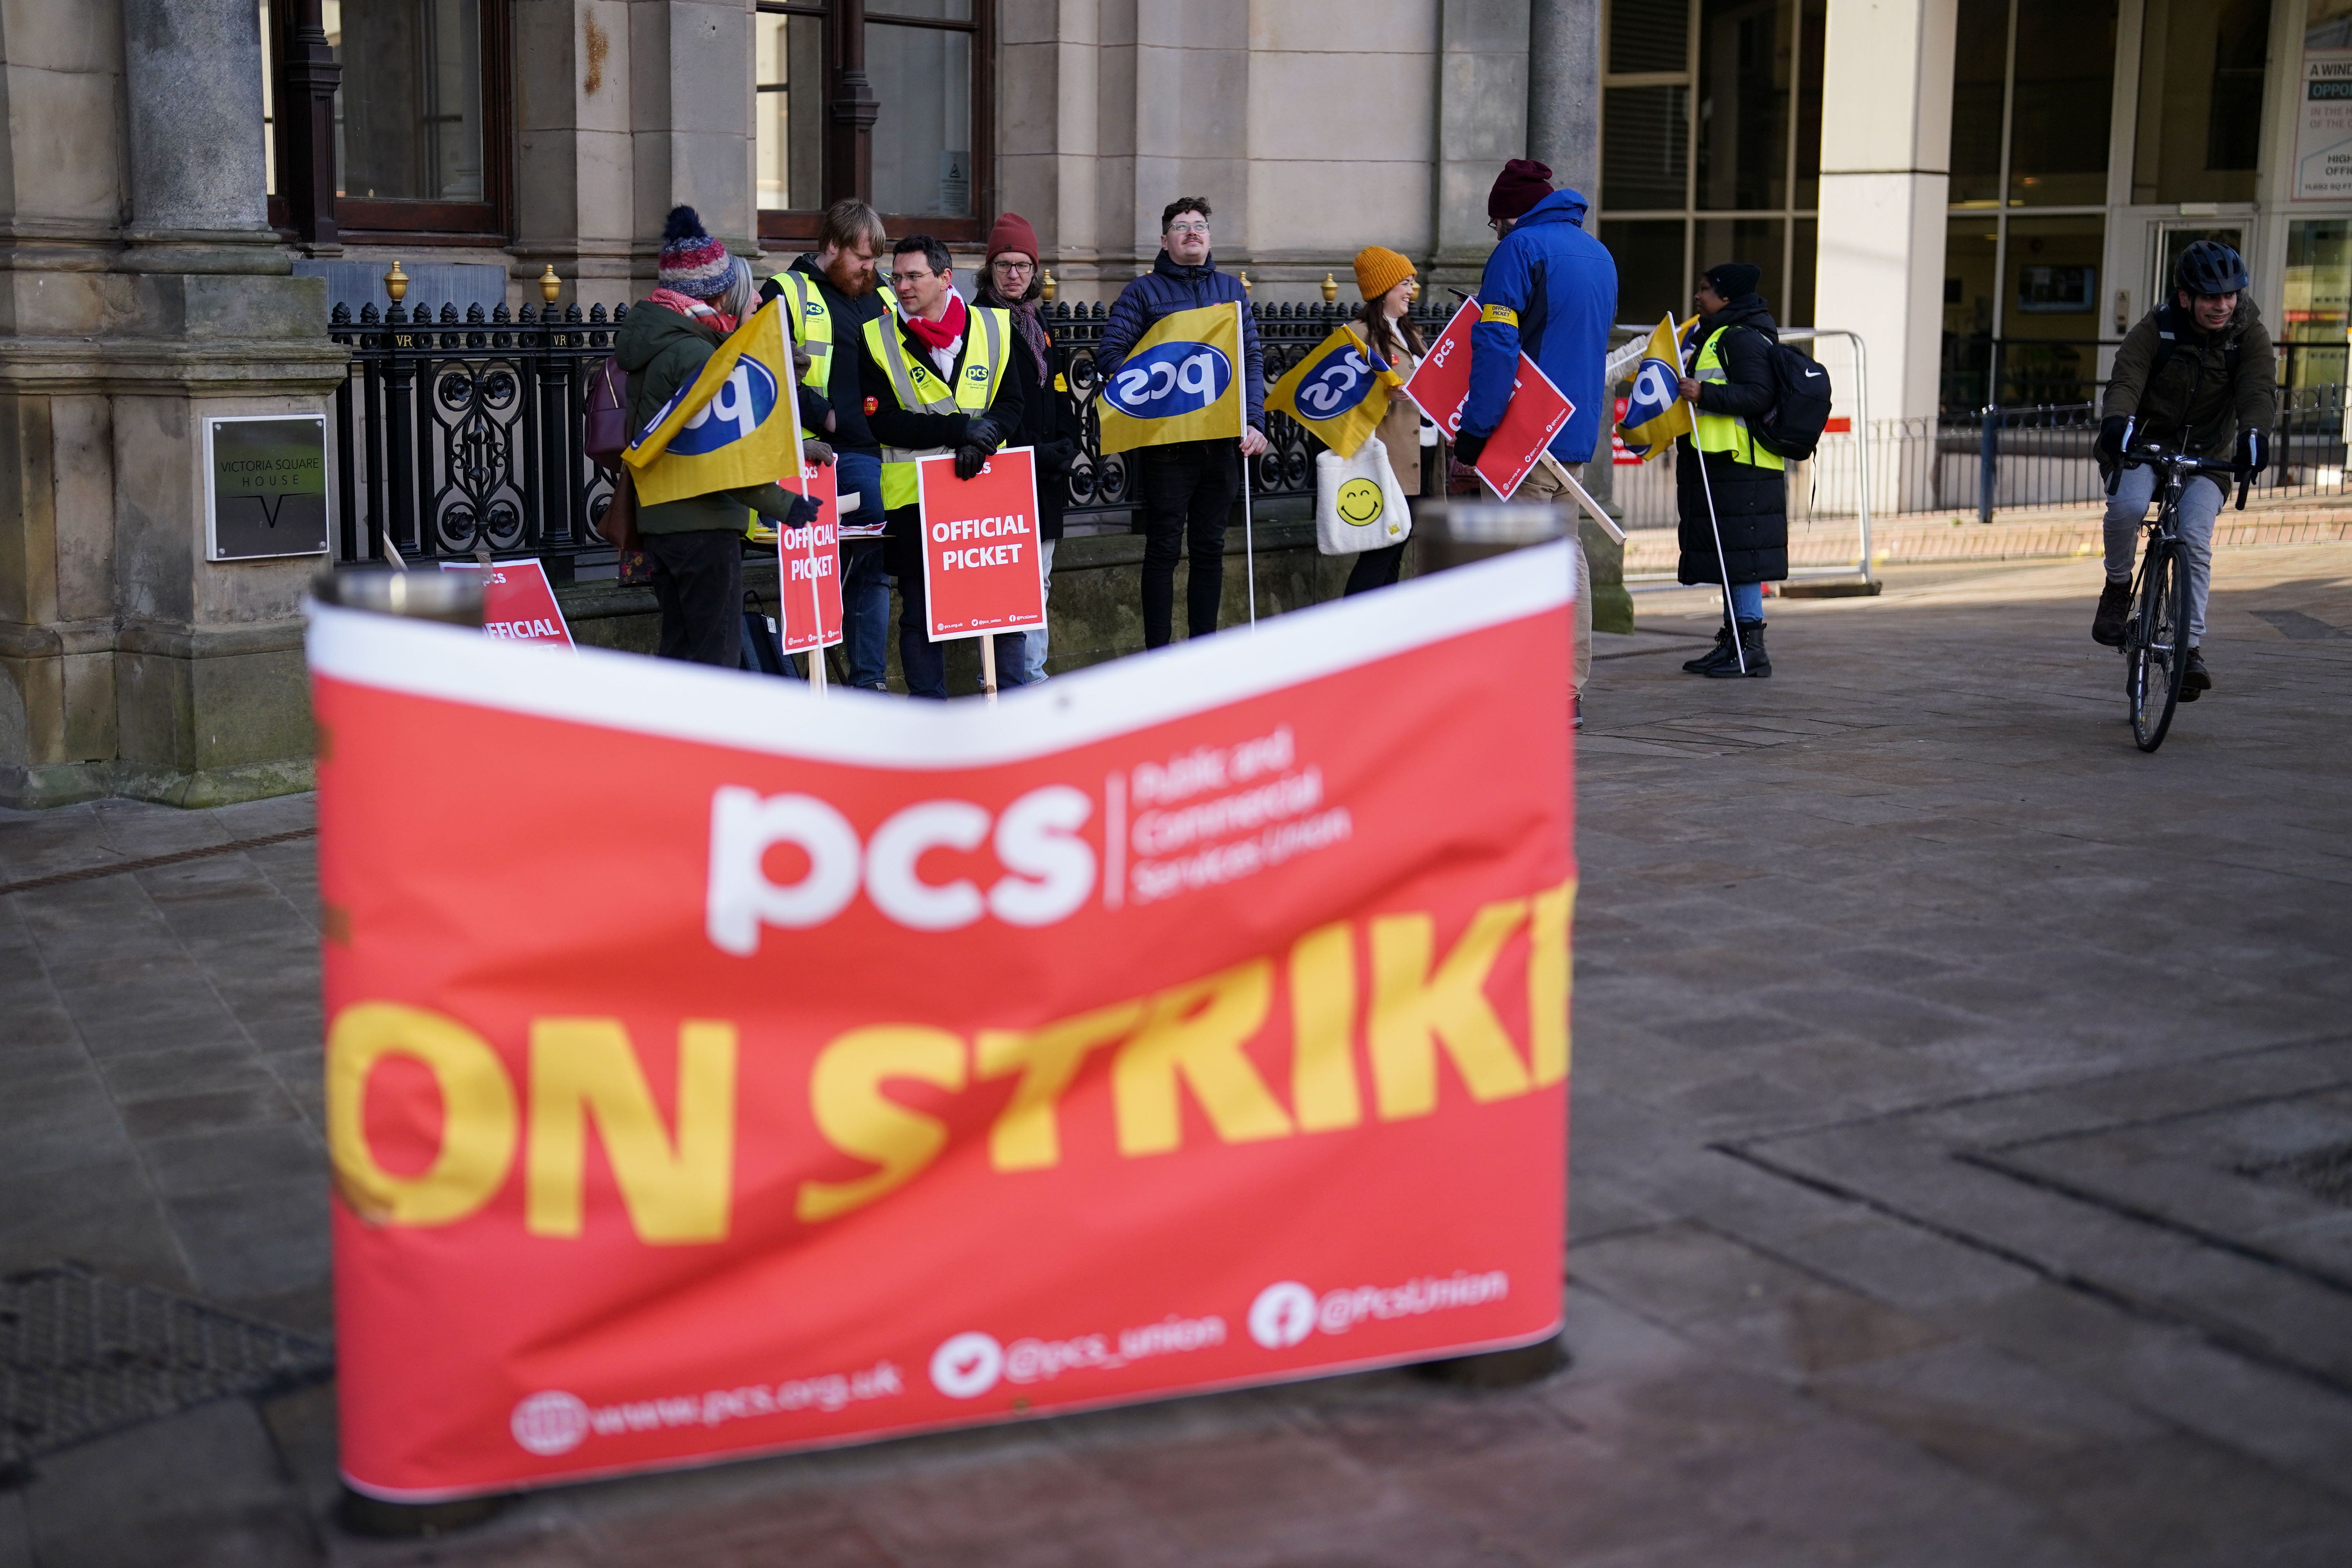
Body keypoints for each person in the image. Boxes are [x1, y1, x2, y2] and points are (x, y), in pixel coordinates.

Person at [614, 206, 818, 667]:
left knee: (683, 654)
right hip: (701, 524)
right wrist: (787, 506)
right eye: (747, 295)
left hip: (666, 523)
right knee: (714, 661)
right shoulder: (694, 354)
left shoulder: (666, 340)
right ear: (719, 296)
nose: (758, 303)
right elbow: (719, 455)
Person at [1452, 160, 1613, 717]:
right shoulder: (1598, 253)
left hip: (1522, 437)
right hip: (1574, 435)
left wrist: (1475, 430)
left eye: (1496, 223)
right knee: (1565, 561)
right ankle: (1565, 688)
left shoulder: (1518, 251)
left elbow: (1497, 344)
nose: (1496, 233)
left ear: (1510, 216)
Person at [2091, 240, 2276, 700]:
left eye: (2230, 295)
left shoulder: (2248, 334)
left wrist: (2255, 434)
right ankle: (2117, 588)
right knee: (2128, 507)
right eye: (2211, 297)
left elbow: (2259, 389)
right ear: (2185, 296)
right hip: (2147, 446)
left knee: (2194, 536)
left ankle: (2189, 649)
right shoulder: (2158, 328)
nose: (2222, 305)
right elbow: (2127, 377)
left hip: (2209, 453)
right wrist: (2119, 423)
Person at [856, 233, 1029, 698]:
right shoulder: (876, 336)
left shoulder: (995, 327)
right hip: (915, 497)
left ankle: (1012, 706)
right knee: (920, 614)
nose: (903, 287)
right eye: (897, 277)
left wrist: (986, 438)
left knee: (1002, 609)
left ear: (945, 278)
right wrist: (959, 432)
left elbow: (1013, 402)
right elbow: (882, 421)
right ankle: (927, 715)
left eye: (915, 276)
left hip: (987, 490)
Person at [1098, 197, 1269, 647]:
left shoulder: (1233, 290)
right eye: (1181, 226)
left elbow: (1250, 359)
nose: (1192, 232)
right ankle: (1159, 655)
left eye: (1199, 226)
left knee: (1211, 551)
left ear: (1209, 237)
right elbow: (1112, 357)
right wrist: (1163, 386)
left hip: (1223, 447)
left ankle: (1203, 653)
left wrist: (1255, 421)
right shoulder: (1143, 293)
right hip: (1168, 449)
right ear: (1164, 240)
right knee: (1163, 550)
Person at [760, 200, 894, 689]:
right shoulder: (786, 290)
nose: (870, 268)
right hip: (812, 452)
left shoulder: (881, 292)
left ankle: (868, 685)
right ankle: (807, 687)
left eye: (876, 260)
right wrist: (823, 414)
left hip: (870, 451)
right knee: (809, 572)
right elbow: (766, 370)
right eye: (862, 257)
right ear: (833, 247)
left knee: (871, 566)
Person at [973, 212, 1082, 681]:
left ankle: (1031, 674)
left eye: (1022, 264)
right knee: (1003, 585)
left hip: (1046, 474)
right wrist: (1031, 451)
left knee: (1039, 579)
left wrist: (1068, 441)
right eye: (1004, 264)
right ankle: (1005, 680)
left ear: (1035, 271)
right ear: (990, 269)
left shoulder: (1040, 322)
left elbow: (1057, 390)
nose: (1014, 274)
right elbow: (987, 402)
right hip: (1005, 470)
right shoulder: (977, 320)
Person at [1672, 262, 1788, 679]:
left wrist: (1704, 393)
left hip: (1743, 464)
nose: (1698, 296)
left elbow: (1759, 394)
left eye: (1706, 289)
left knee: (1743, 558)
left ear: (1728, 297)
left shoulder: (1741, 338)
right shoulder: (1720, 334)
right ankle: (1733, 644)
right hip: (1726, 463)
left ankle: (1751, 650)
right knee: (1730, 556)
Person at [1340, 245, 1441, 596]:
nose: (1412, 291)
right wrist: (1383, 395)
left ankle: (1378, 633)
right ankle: (1353, 632)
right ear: (1382, 289)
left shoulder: (1411, 333)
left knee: (1395, 550)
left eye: (1412, 282)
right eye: (1404, 283)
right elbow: (1343, 398)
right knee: (1382, 550)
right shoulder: (1357, 334)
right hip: (1389, 460)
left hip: (1423, 455)